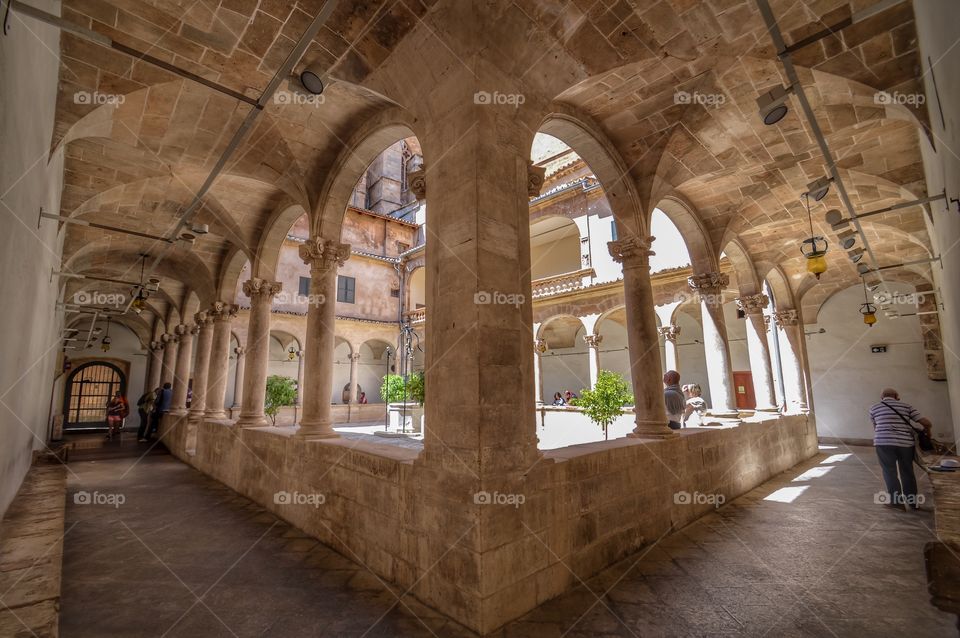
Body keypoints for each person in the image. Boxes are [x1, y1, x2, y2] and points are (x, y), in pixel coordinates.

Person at [868, 388, 933, 510]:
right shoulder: (907, 406)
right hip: (906, 444)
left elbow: (876, 427)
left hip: (883, 443)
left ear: (882, 397)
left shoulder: (874, 408)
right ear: (897, 396)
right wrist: (928, 433)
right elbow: (927, 423)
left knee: (889, 471)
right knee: (907, 471)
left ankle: (897, 502)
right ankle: (913, 503)